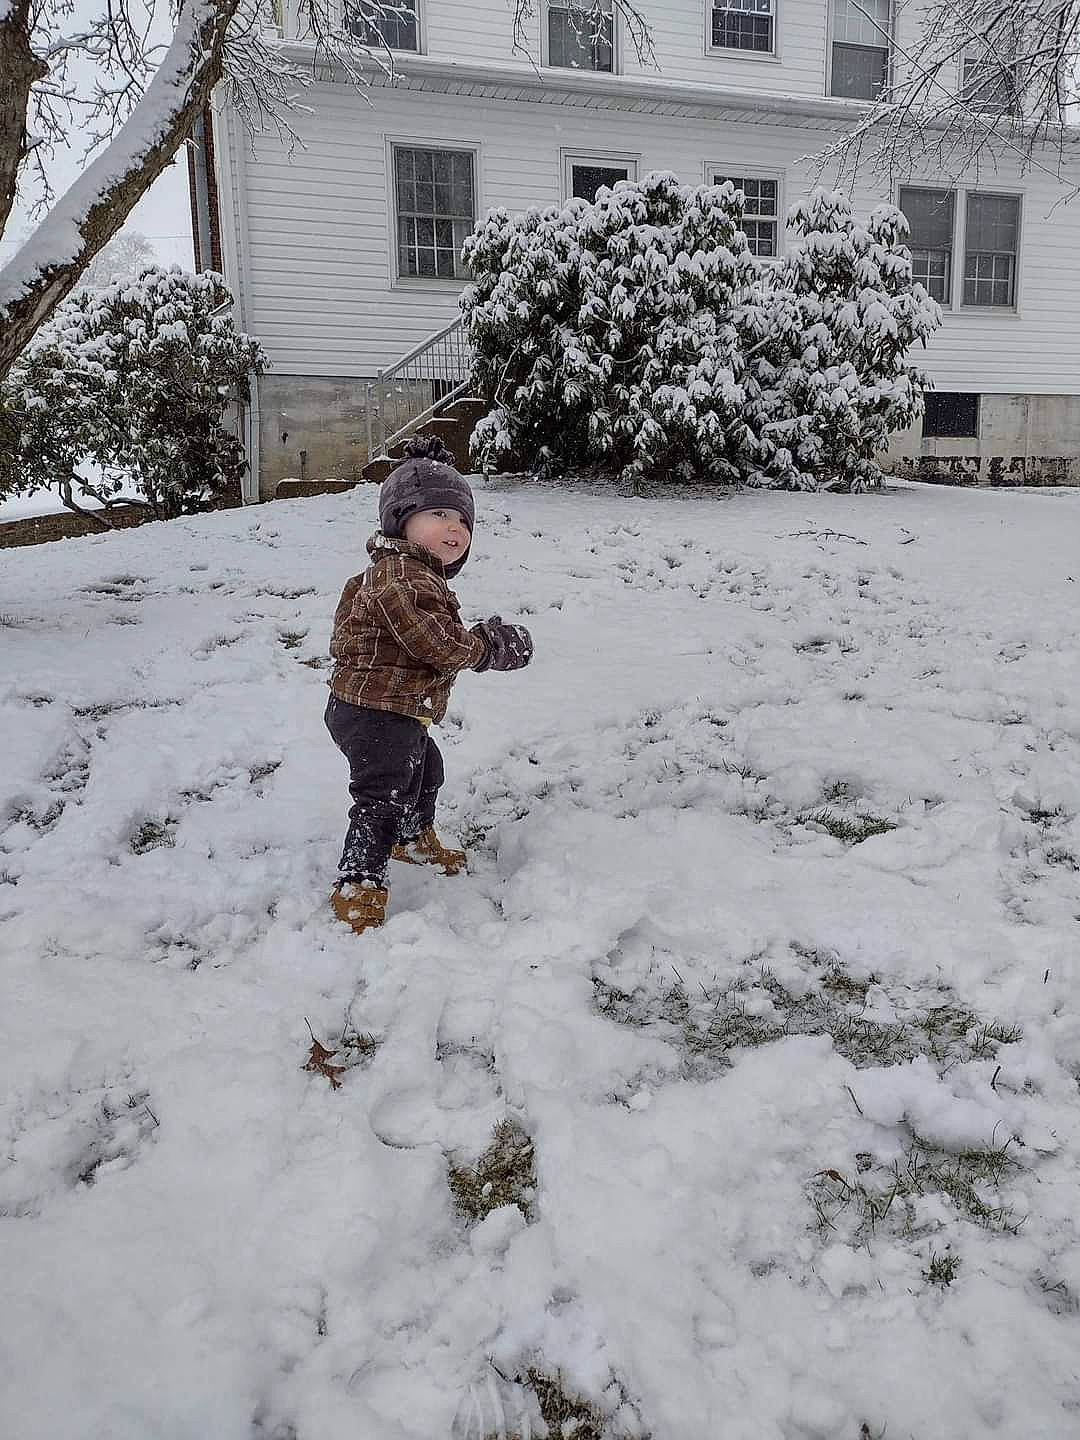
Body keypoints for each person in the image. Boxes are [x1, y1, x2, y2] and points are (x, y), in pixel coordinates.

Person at [325, 436, 532, 934]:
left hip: (396, 710)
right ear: (401, 520)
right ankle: (358, 885)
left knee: (425, 770)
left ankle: (412, 839)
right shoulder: (399, 576)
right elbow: (436, 644)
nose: (454, 528)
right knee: (381, 796)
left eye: (462, 520)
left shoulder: (413, 575)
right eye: (439, 514)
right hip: (374, 711)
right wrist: (488, 647)